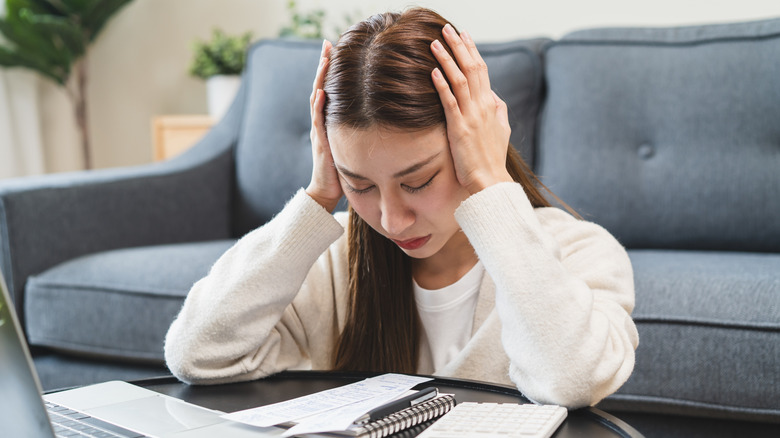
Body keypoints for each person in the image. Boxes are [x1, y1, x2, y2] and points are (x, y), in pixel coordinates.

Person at [164, 7, 638, 408]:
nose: (390, 221)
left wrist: (491, 181)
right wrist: (319, 197)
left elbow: (571, 380)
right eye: (361, 185)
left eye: (418, 181)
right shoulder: (336, 266)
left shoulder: (578, 252)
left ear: (474, 145)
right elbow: (197, 353)